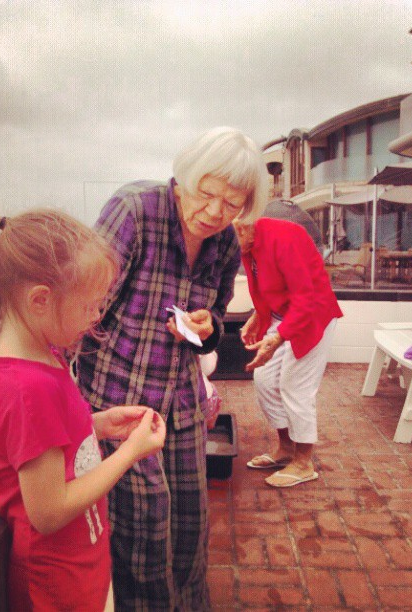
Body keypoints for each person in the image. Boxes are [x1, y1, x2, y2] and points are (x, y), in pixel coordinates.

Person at [77, 126, 268, 610]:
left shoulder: (225, 243)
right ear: (185, 176)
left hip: (182, 406)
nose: (215, 212)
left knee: (189, 530)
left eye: (231, 204)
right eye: (206, 193)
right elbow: (81, 305)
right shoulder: (134, 213)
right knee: (140, 534)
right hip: (118, 402)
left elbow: (218, 313)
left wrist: (208, 326)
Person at [0, 210, 166, 611]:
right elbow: (49, 511)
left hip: (79, 563)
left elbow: (43, 444)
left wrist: (98, 426)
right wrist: (130, 454)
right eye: (90, 306)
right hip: (55, 581)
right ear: (40, 300)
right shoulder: (28, 389)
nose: (96, 316)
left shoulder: (43, 356)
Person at [234, 216, 343, 488]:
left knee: (295, 386)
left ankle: (304, 462)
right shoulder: (247, 243)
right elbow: (265, 287)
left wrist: (278, 338)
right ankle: (285, 449)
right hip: (282, 316)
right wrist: (258, 317)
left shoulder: (284, 237)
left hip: (313, 315)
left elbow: (305, 298)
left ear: (241, 227)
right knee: (265, 380)